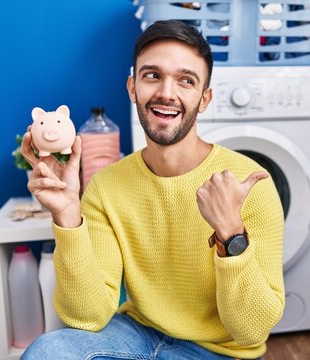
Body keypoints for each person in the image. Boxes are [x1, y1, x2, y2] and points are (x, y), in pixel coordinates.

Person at [20, 20, 285, 360]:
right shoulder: (107, 186)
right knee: (47, 351)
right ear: (132, 88)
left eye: (186, 80)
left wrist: (231, 234)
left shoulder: (250, 182)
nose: (166, 93)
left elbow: (251, 330)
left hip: (218, 351)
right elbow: (86, 317)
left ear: (204, 99)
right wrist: (67, 214)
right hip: (136, 334)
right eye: (152, 75)